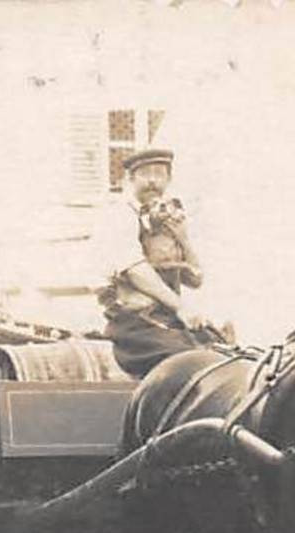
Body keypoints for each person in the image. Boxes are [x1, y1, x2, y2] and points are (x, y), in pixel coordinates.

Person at [89, 145, 224, 375]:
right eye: (145, 173)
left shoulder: (166, 218)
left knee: (223, 352)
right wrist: (181, 306)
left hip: (168, 320)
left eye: (159, 174)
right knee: (189, 363)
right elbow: (135, 270)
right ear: (130, 179)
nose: (153, 181)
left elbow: (195, 280)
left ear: (168, 179)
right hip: (134, 324)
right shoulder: (119, 214)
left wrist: (183, 239)